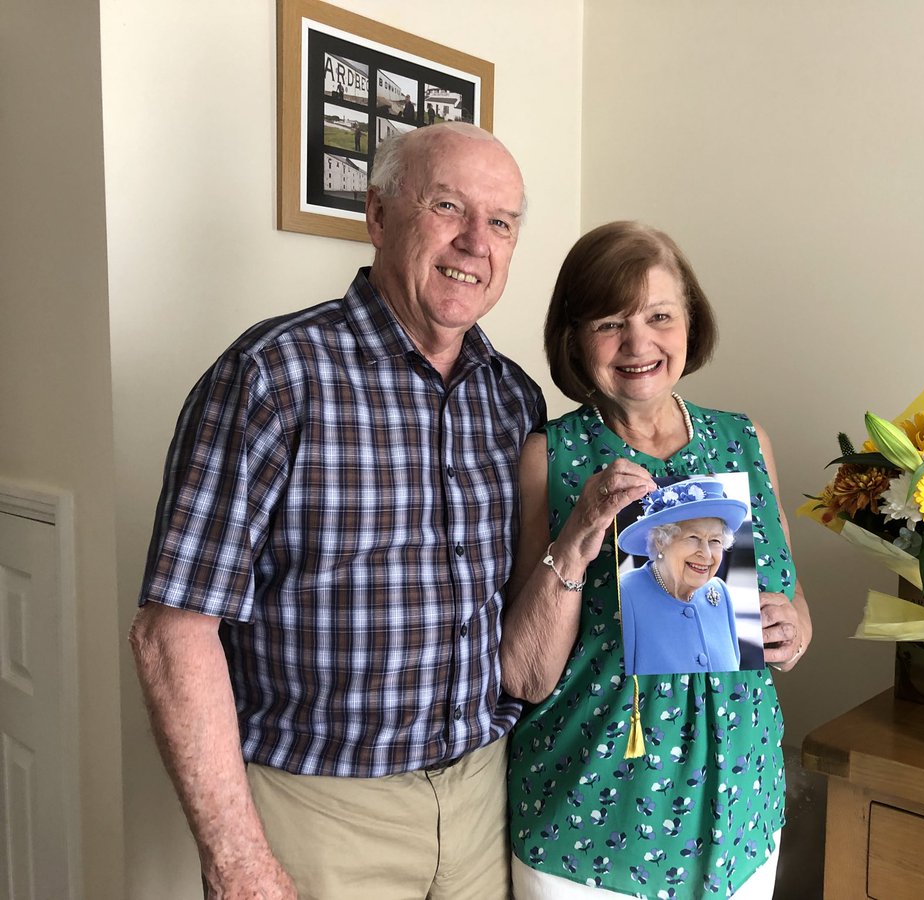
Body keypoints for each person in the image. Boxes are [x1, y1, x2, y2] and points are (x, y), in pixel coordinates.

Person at [128, 122, 544, 900]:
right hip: (318, 813)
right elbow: (172, 630)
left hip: (487, 799)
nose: (474, 242)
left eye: (500, 222)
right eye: (448, 206)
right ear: (379, 215)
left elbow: (531, 612)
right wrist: (237, 857)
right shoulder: (271, 377)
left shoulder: (514, 398)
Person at [501, 221, 812, 898]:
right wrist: (579, 535)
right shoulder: (548, 459)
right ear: (576, 340)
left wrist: (793, 631)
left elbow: (787, 606)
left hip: (739, 810)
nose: (639, 342)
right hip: (594, 819)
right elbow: (525, 675)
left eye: (659, 316)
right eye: (610, 322)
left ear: (689, 324)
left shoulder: (745, 442)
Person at [616, 477, 749, 675]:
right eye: (693, 538)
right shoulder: (625, 594)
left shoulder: (719, 591)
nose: (706, 553)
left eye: (715, 541)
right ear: (661, 541)